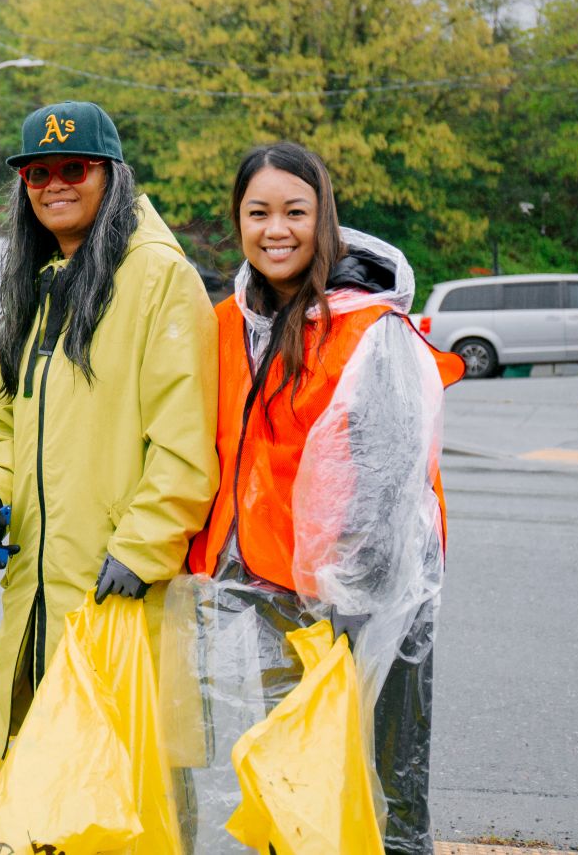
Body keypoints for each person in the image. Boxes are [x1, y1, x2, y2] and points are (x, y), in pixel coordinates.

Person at [184, 141, 464, 853]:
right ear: (238, 221)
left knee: (385, 776)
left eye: (295, 212)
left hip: (367, 597)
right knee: (296, 771)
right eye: (258, 212)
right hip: (267, 586)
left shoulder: (372, 328)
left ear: (324, 218)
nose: (276, 229)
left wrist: (347, 596)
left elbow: (392, 484)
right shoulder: (225, 325)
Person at [0, 99, 221, 752]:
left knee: (130, 801)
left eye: (73, 167)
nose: (55, 186)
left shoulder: (161, 278)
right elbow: (1, 418)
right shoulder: (34, 284)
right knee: (41, 798)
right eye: (37, 174)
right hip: (35, 599)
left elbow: (186, 440)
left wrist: (141, 547)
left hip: (121, 591)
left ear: (111, 174)